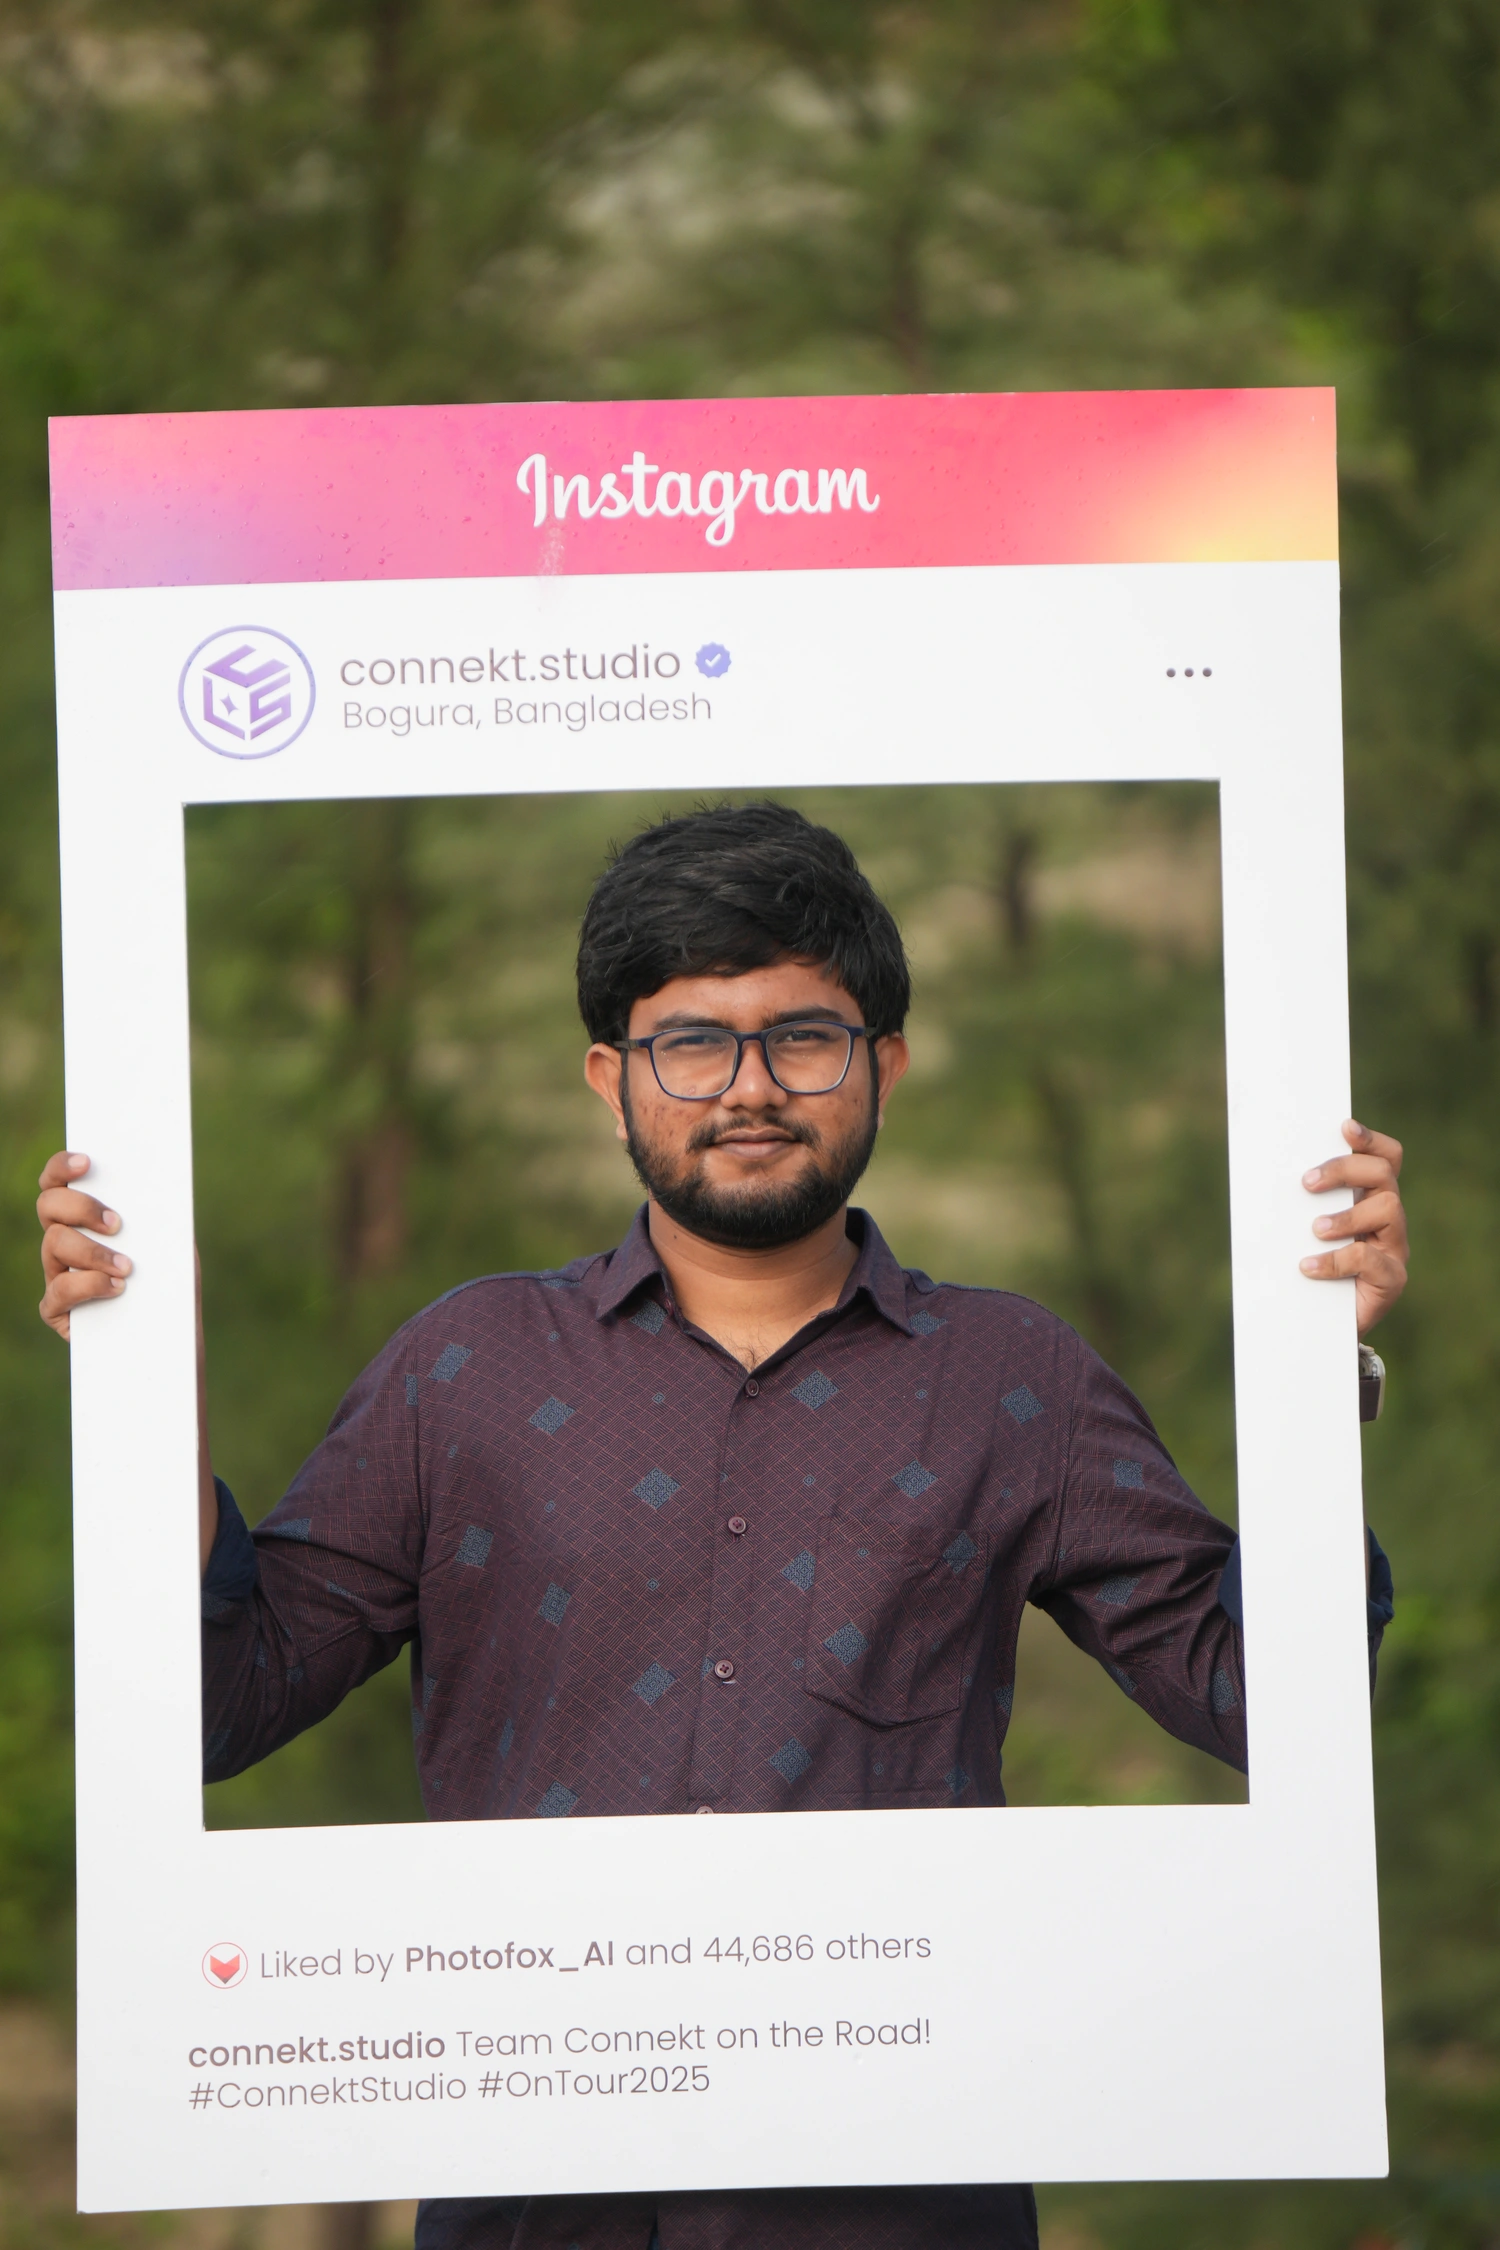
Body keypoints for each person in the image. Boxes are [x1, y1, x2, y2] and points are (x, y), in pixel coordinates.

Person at [37, 801, 1409, 2250]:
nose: (749, 1085)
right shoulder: (466, 1366)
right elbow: (214, 1699)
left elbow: (1275, 1700)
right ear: (608, 1077)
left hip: (903, 2201)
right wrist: (145, 1386)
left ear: (883, 1062)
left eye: (802, 1035)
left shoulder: (1018, 1380)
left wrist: (1323, 1376)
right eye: (692, 1039)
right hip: (537, 2206)